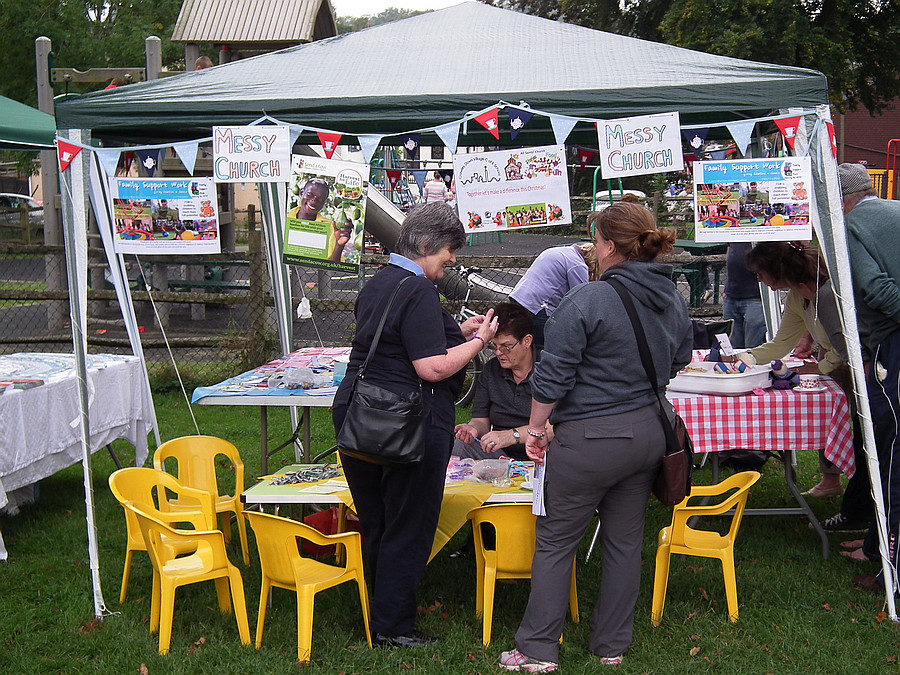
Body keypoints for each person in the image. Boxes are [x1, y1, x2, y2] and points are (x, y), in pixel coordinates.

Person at [499, 202, 692, 672]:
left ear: (607, 246)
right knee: (625, 543)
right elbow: (682, 355)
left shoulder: (586, 300)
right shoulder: (670, 297)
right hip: (649, 431)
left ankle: (537, 648)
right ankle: (611, 646)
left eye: (595, 240)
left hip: (590, 439)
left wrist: (538, 428)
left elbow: (550, 378)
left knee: (556, 540)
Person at [332, 202, 499, 647]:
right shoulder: (419, 290)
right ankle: (392, 627)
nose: (453, 261)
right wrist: (480, 341)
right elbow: (432, 369)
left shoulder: (381, 282)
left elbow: (396, 341)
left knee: (378, 519)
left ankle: (380, 608)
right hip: (406, 424)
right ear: (425, 245)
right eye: (449, 250)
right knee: (409, 522)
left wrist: (456, 334)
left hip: (359, 415)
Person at [738, 242, 872, 531]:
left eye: (761, 274)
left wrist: (818, 367)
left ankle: (861, 516)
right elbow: (781, 343)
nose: (759, 281)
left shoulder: (826, 296)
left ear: (777, 272)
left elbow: (849, 348)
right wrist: (743, 357)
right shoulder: (798, 298)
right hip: (846, 368)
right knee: (858, 440)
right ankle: (855, 506)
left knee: (867, 443)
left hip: (866, 371)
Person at [838, 162, 900, 595]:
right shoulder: (895, 210)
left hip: (894, 345)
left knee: (893, 452)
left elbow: (876, 288)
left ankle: (889, 570)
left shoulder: (854, 226)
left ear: (842, 199)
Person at [453, 303, 540, 462]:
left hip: (543, 453)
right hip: (500, 455)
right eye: (495, 346)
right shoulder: (491, 370)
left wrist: (511, 435)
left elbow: (554, 428)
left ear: (527, 341)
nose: (499, 353)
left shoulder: (549, 370)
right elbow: (481, 420)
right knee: (461, 446)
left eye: (506, 346)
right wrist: (472, 429)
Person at [508, 242, 600, 350]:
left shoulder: (559, 251)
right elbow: (582, 298)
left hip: (519, 298)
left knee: (523, 344)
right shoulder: (578, 265)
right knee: (545, 347)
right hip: (538, 308)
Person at [286, 178, 350, 262]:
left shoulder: (330, 228)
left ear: (324, 203)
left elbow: (333, 266)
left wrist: (339, 245)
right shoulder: (285, 218)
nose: (313, 201)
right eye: (309, 194)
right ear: (302, 193)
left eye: (320, 199)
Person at [722, 242, 767, 348]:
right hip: (731, 294)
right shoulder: (734, 228)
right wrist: (727, 286)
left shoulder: (763, 228)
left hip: (755, 296)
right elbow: (730, 251)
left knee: (753, 348)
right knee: (731, 348)